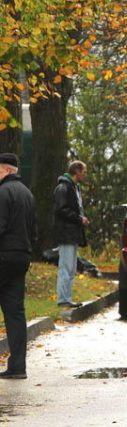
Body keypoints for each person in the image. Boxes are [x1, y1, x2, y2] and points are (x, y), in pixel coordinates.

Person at [0, 154, 37, 379]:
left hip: (3, 256)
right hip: (21, 257)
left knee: (14, 311)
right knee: (15, 312)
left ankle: (16, 366)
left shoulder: (3, 193)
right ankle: (18, 366)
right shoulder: (28, 194)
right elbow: (34, 231)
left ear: (4, 170)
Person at [54, 160, 89, 308]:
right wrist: (79, 218)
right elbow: (61, 210)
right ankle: (63, 299)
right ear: (77, 171)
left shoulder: (74, 188)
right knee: (66, 266)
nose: (85, 174)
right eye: (84, 171)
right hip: (66, 233)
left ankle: (67, 297)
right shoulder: (63, 188)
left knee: (71, 267)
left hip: (72, 233)